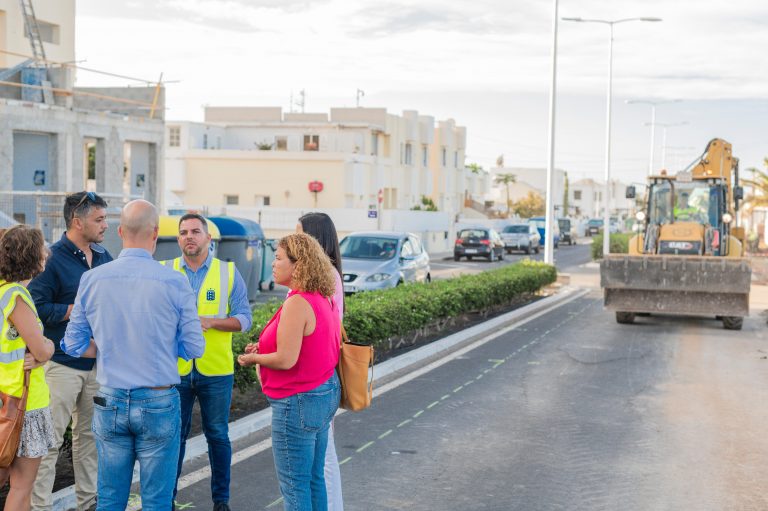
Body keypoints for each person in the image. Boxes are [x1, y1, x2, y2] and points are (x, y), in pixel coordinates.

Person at [61, 200, 205, 511]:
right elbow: (195, 348)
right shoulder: (175, 281)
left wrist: (109, 346)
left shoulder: (92, 279)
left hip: (110, 397)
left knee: (110, 499)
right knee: (157, 501)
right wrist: (164, 348)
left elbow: (72, 345)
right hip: (158, 399)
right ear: (155, 233)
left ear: (120, 231)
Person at [238, 234, 341, 511]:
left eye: (278, 258)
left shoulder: (297, 303)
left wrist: (253, 358)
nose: (273, 263)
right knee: (314, 479)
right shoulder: (319, 296)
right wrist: (264, 346)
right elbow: (307, 343)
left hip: (298, 402)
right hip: (322, 393)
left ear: (298, 265)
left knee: (295, 487)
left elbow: (286, 359)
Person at [29, 191, 112, 511]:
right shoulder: (51, 259)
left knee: (90, 441)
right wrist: (74, 310)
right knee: (49, 443)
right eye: (99, 219)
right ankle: (40, 507)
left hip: (97, 367)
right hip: (61, 366)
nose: (105, 225)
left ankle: (88, 504)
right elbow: (35, 307)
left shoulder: (104, 257)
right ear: (77, 222)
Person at [165, 214, 252, 511]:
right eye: (183, 232)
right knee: (173, 438)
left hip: (215, 371)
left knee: (217, 436)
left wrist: (212, 322)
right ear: (178, 239)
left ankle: (221, 501)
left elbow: (244, 319)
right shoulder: (165, 271)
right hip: (175, 371)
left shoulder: (228, 272)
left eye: (195, 231)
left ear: (208, 238)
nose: (189, 236)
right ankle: (167, 499)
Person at [0, 225, 56, 511]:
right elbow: (42, 350)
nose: (46, 252)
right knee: (22, 487)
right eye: (42, 247)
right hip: (22, 404)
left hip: (5, 400)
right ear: (31, 255)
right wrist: (48, 348)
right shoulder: (17, 296)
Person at [297, 213, 344, 511]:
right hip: (321, 375)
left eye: (300, 235)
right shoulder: (328, 275)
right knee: (322, 456)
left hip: (317, 377)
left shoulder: (324, 278)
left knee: (322, 458)